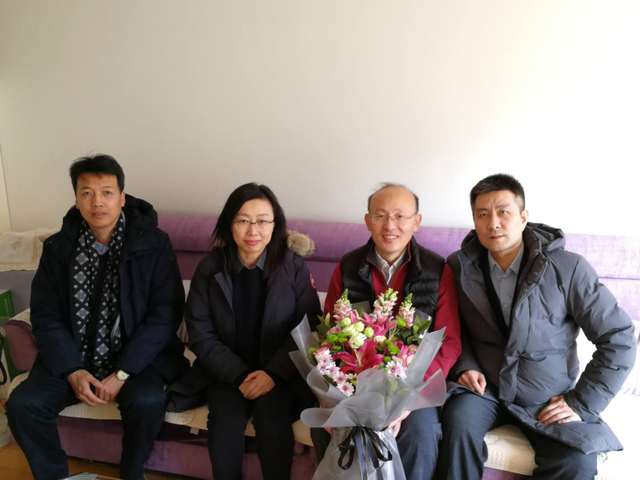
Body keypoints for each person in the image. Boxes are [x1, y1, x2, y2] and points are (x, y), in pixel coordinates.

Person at [437, 173, 637, 480]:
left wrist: (582, 402)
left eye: (503, 212)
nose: (493, 223)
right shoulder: (459, 266)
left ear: (523, 217)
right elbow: (453, 329)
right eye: (483, 214)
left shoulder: (568, 268)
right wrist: (466, 365)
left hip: (545, 394)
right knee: (455, 424)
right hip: (486, 389)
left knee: (577, 463)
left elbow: (618, 337)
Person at [6, 155, 187, 480]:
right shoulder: (59, 248)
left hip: (137, 358)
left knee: (147, 401)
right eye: (87, 193)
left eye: (106, 192)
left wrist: (122, 372)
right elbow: (46, 315)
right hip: (74, 357)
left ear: (122, 197)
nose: (97, 202)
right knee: (23, 405)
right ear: (76, 200)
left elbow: (165, 314)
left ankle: (132, 472)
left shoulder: (154, 245)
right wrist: (73, 370)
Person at [172, 183, 321, 480]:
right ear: (229, 224)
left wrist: (273, 374)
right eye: (243, 220)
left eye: (263, 221)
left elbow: (308, 327)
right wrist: (239, 375)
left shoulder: (292, 267)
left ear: (275, 225)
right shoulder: (210, 268)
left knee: (272, 418)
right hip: (226, 373)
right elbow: (200, 332)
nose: (253, 230)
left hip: (280, 374)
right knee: (224, 422)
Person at [317, 183, 462, 480]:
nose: (390, 226)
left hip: (414, 387)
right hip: (355, 385)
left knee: (419, 432)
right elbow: (330, 333)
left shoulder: (437, 270)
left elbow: (449, 342)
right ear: (367, 220)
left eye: (400, 216)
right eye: (380, 216)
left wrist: (406, 400)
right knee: (330, 427)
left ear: (416, 221)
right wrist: (334, 394)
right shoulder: (348, 267)